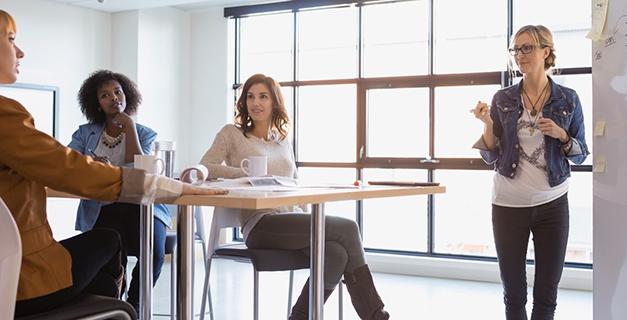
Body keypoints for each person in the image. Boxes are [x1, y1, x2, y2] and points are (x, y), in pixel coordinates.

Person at [0, 10, 227, 317]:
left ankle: (126, 304)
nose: (21, 51)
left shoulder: (143, 131)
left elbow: (74, 165)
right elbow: (68, 166)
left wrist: (128, 133)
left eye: (117, 92)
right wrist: (168, 186)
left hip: (132, 211)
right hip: (20, 280)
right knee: (107, 242)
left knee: (120, 259)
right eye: (11, 39)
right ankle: (123, 308)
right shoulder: (10, 118)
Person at [200, 74, 389, 320]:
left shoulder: (282, 140)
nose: (255, 102)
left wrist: (315, 226)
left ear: (274, 102)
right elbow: (206, 166)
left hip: (290, 222)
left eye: (263, 96)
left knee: (335, 253)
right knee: (348, 228)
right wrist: (247, 173)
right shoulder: (232, 134)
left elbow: (296, 187)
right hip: (260, 224)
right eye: (250, 96)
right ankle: (376, 316)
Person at [471, 25, 589, 320]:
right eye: (515, 49)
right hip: (508, 205)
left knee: (547, 297)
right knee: (514, 296)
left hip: (553, 205)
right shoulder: (503, 99)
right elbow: (491, 154)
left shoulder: (569, 99)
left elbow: (581, 153)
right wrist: (487, 125)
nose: (519, 56)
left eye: (527, 48)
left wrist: (562, 135)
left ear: (545, 52)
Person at [67, 69, 172, 311]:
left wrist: (130, 126)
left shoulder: (145, 133)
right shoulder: (85, 133)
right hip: (104, 205)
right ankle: (114, 305)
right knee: (113, 253)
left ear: (127, 95)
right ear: (97, 104)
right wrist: (91, 165)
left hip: (143, 205)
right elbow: (69, 161)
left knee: (155, 253)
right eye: (105, 95)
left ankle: (134, 305)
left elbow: (139, 165)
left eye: (118, 92)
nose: (114, 98)